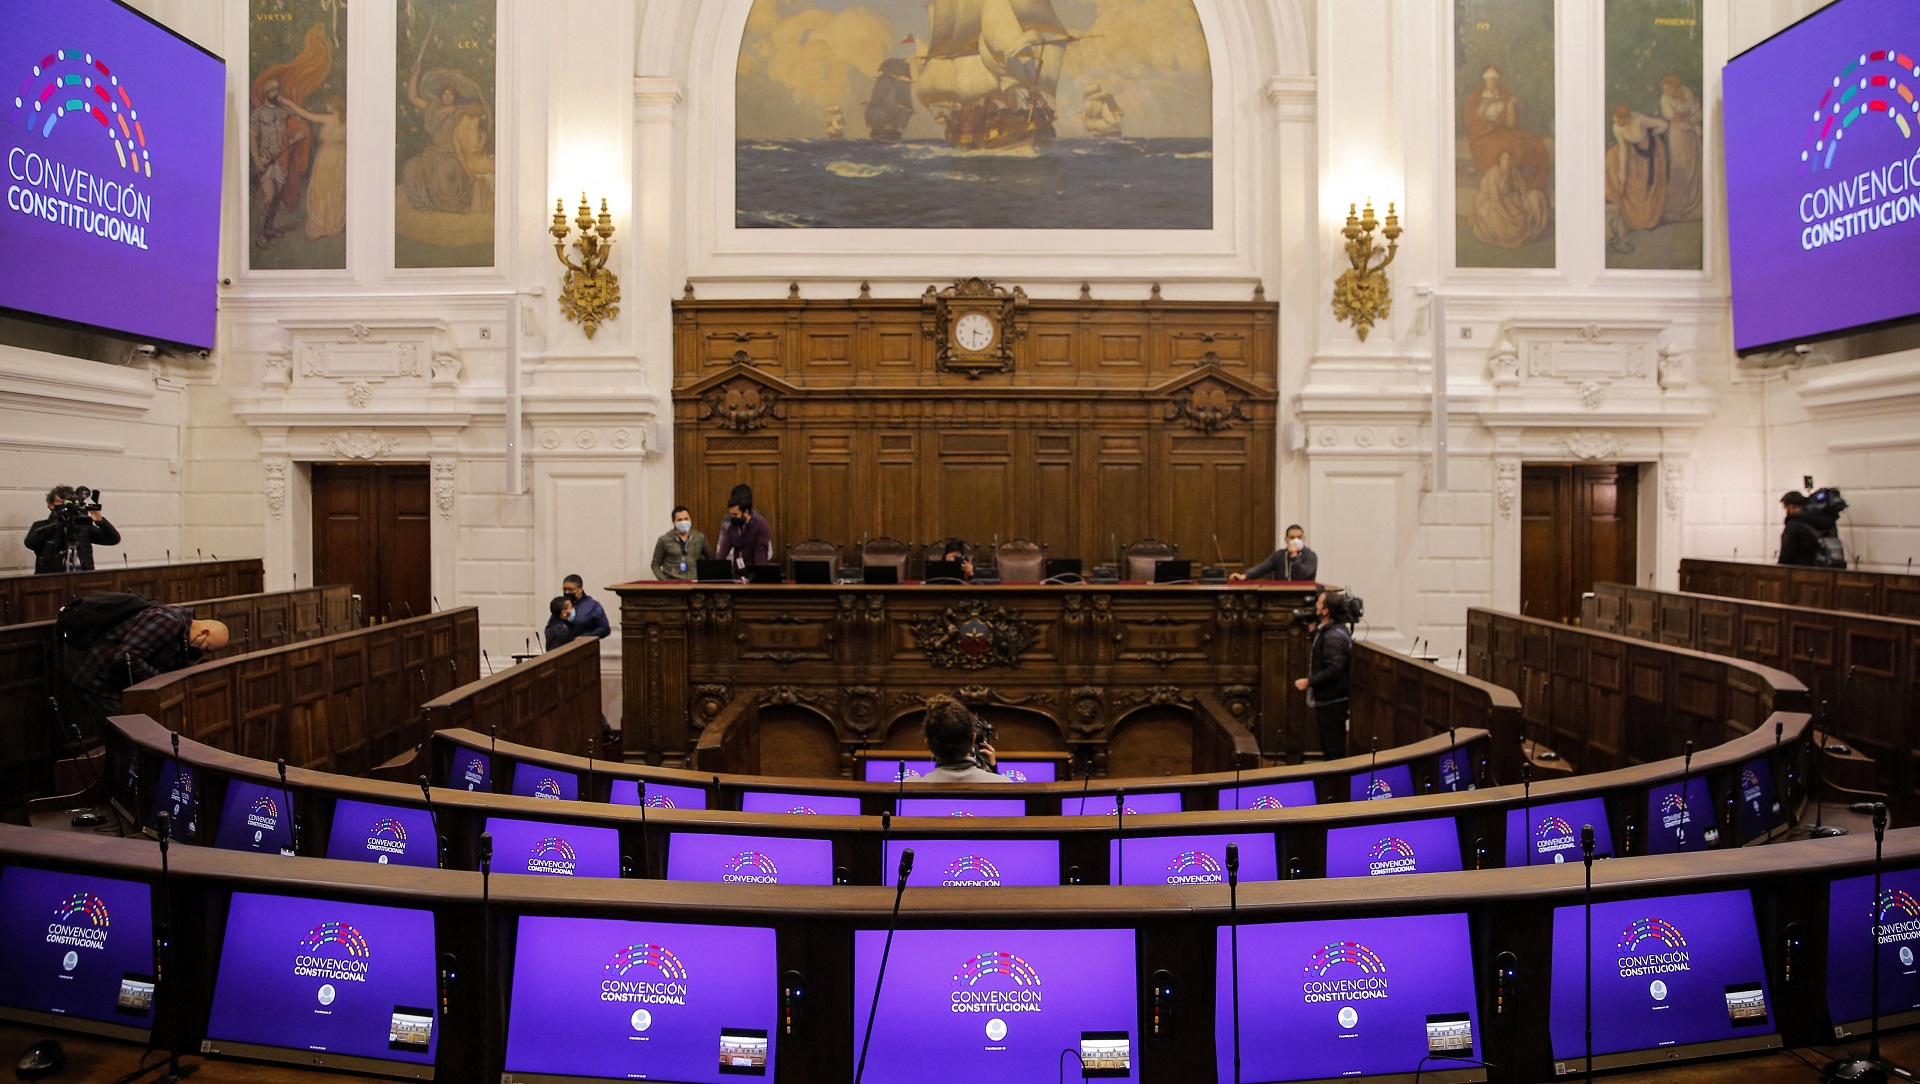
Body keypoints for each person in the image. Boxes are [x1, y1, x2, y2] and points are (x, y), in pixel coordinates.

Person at [66, 604, 227, 733]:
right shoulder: (166, 621)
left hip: (112, 683)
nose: (202, 653)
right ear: (203, 632)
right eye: (207, 649)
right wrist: (161, 681)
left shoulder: (180, 630)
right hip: (96, 680)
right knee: (124, 735)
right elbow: (127, 657)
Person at [278, 93, 346, 239]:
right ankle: (332, 223)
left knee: (323, 189)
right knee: (336, 189)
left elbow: (305, 114)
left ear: (334, 106)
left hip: (328, 157)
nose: (326, 105)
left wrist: (287, 102)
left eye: (329, 103)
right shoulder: (347, 121)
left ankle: (323, 223)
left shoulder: (328, 119)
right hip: (341, 157)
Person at [1294, 590, 1352, 760]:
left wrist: (1309, 681)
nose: (1316, 606)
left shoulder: (1334, 636)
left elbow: (1334, 669)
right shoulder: (1330, 631)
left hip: (1333, 701)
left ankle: (1338, 777)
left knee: (1333, 749)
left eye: (1319, 603)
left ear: (1326, 610)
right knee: (1328, 745)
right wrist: (1313, 631)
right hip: (1329, 699)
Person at [25, 486, 121, 574]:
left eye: (68, 502)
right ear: (51, 505)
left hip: (83, 576)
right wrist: (60, 523)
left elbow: (113, 539)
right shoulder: (41, 526)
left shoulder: (83, 526)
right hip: (52, 578)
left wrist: (100, 521)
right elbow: (30, 543)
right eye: (60, 502)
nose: (65, 505)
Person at [1605, 104, 1670, 234]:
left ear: (1627, 117)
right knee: (1613, 159)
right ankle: (1635, 217)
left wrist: (1651, 136)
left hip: (1651, 152)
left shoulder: (1639, 119)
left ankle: (1649, 218)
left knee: (1647, 185)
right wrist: (1623, 174)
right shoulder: (1617, 128)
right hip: (1633, 153)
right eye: (1615, 120)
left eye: (1620, 120)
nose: (1618, 123)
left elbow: (1663, 125)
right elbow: (1623, 149)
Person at [919, 694, 1007, 783]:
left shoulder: (911, 784)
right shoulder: (1003, 783)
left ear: (928, 743)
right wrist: (993, 773)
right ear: (973, 738)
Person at [715, 484, 773, 570]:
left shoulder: (761, 525)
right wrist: (716, 567)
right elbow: (723, 549)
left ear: (746, 512)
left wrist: (759, 574)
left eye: (735, 514)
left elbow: (761, 553)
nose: (731, 517)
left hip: (754, 571)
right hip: (737, 571)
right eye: (731, 514)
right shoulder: (733, 526)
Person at [1233, 524, 1318, 582]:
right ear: (1286, 539)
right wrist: (1245, 576)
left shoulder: (1310, 555)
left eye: (1299, 537)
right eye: (1292, 538)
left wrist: (1294, 555)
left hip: (1304, 594)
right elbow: (1263, 568)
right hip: (1282, 594)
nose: (1296, 540)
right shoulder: (1279, 555)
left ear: (1304, 538)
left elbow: (1304, 574)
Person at [651, 506, 713, 582]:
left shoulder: (699, 537)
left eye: (686, 519)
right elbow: (655, 564)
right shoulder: (664, 540)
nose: (684, 522)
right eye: (680, 520)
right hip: (672, 583)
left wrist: (705, 576)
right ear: (674, 522)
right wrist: (664, 581)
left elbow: (710, 557)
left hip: (693, 582)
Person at [1778, 491, 1836, 567]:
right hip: (1828, 569)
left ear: (1791, 507)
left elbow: (1786, 554)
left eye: (1785, 508)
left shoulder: (1794, 525)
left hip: (1802, 570)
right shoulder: (1828, 521)